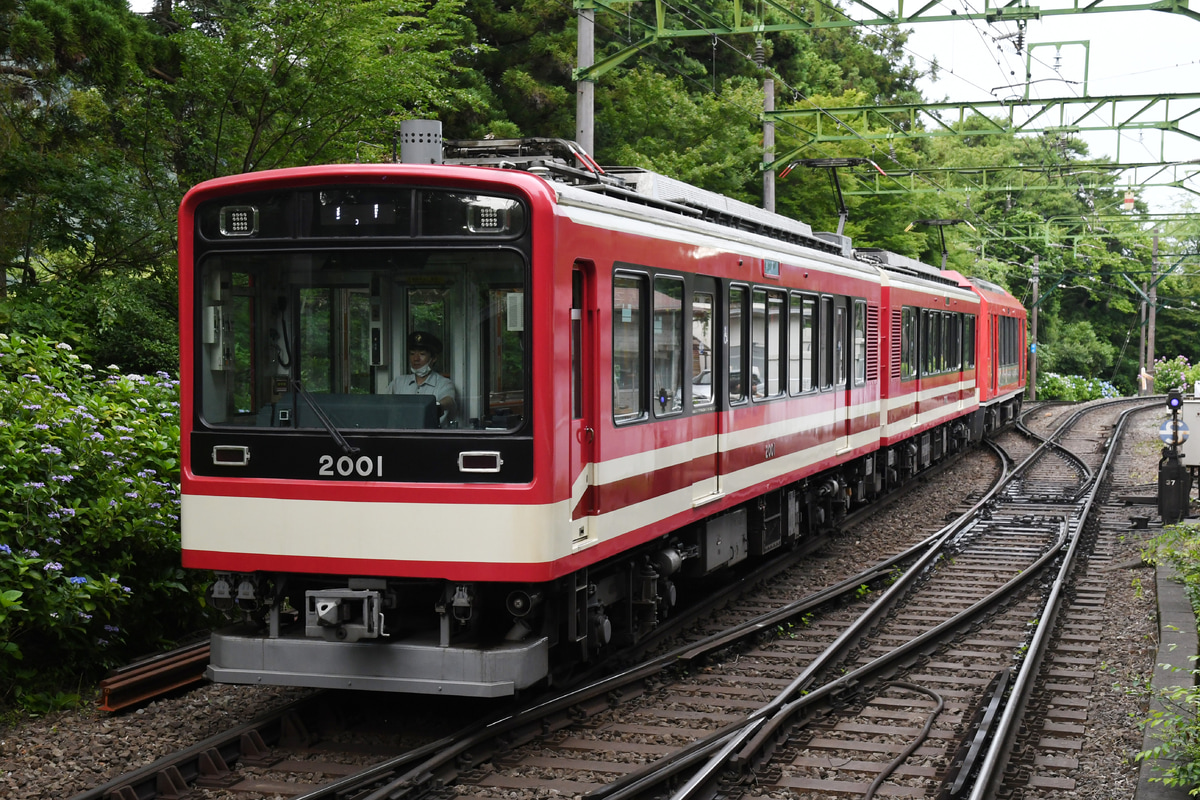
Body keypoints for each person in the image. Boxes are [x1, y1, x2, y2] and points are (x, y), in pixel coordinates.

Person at [388, 331, 456, 426]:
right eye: (412, 354)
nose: (416, 359)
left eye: (422, 354)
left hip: (431, 437)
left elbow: (449, 400)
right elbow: (384, 405)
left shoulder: (444, 383)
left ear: (434, 358)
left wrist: (436, 406)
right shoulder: (398, 382)